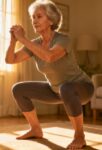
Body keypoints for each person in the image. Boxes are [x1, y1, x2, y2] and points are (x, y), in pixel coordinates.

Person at [5, 0, 94, 149]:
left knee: (66, 88)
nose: (34, 21)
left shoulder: (63, 39)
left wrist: (23, 39)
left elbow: (50, 56)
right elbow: (10, 60)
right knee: (18, 89)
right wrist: (13, 41)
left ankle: (79, 136)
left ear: (51, 20)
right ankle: (35, 129)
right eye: (33, 17)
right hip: (56, 90)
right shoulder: (35, 44)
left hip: (82, 88)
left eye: (39, 16)